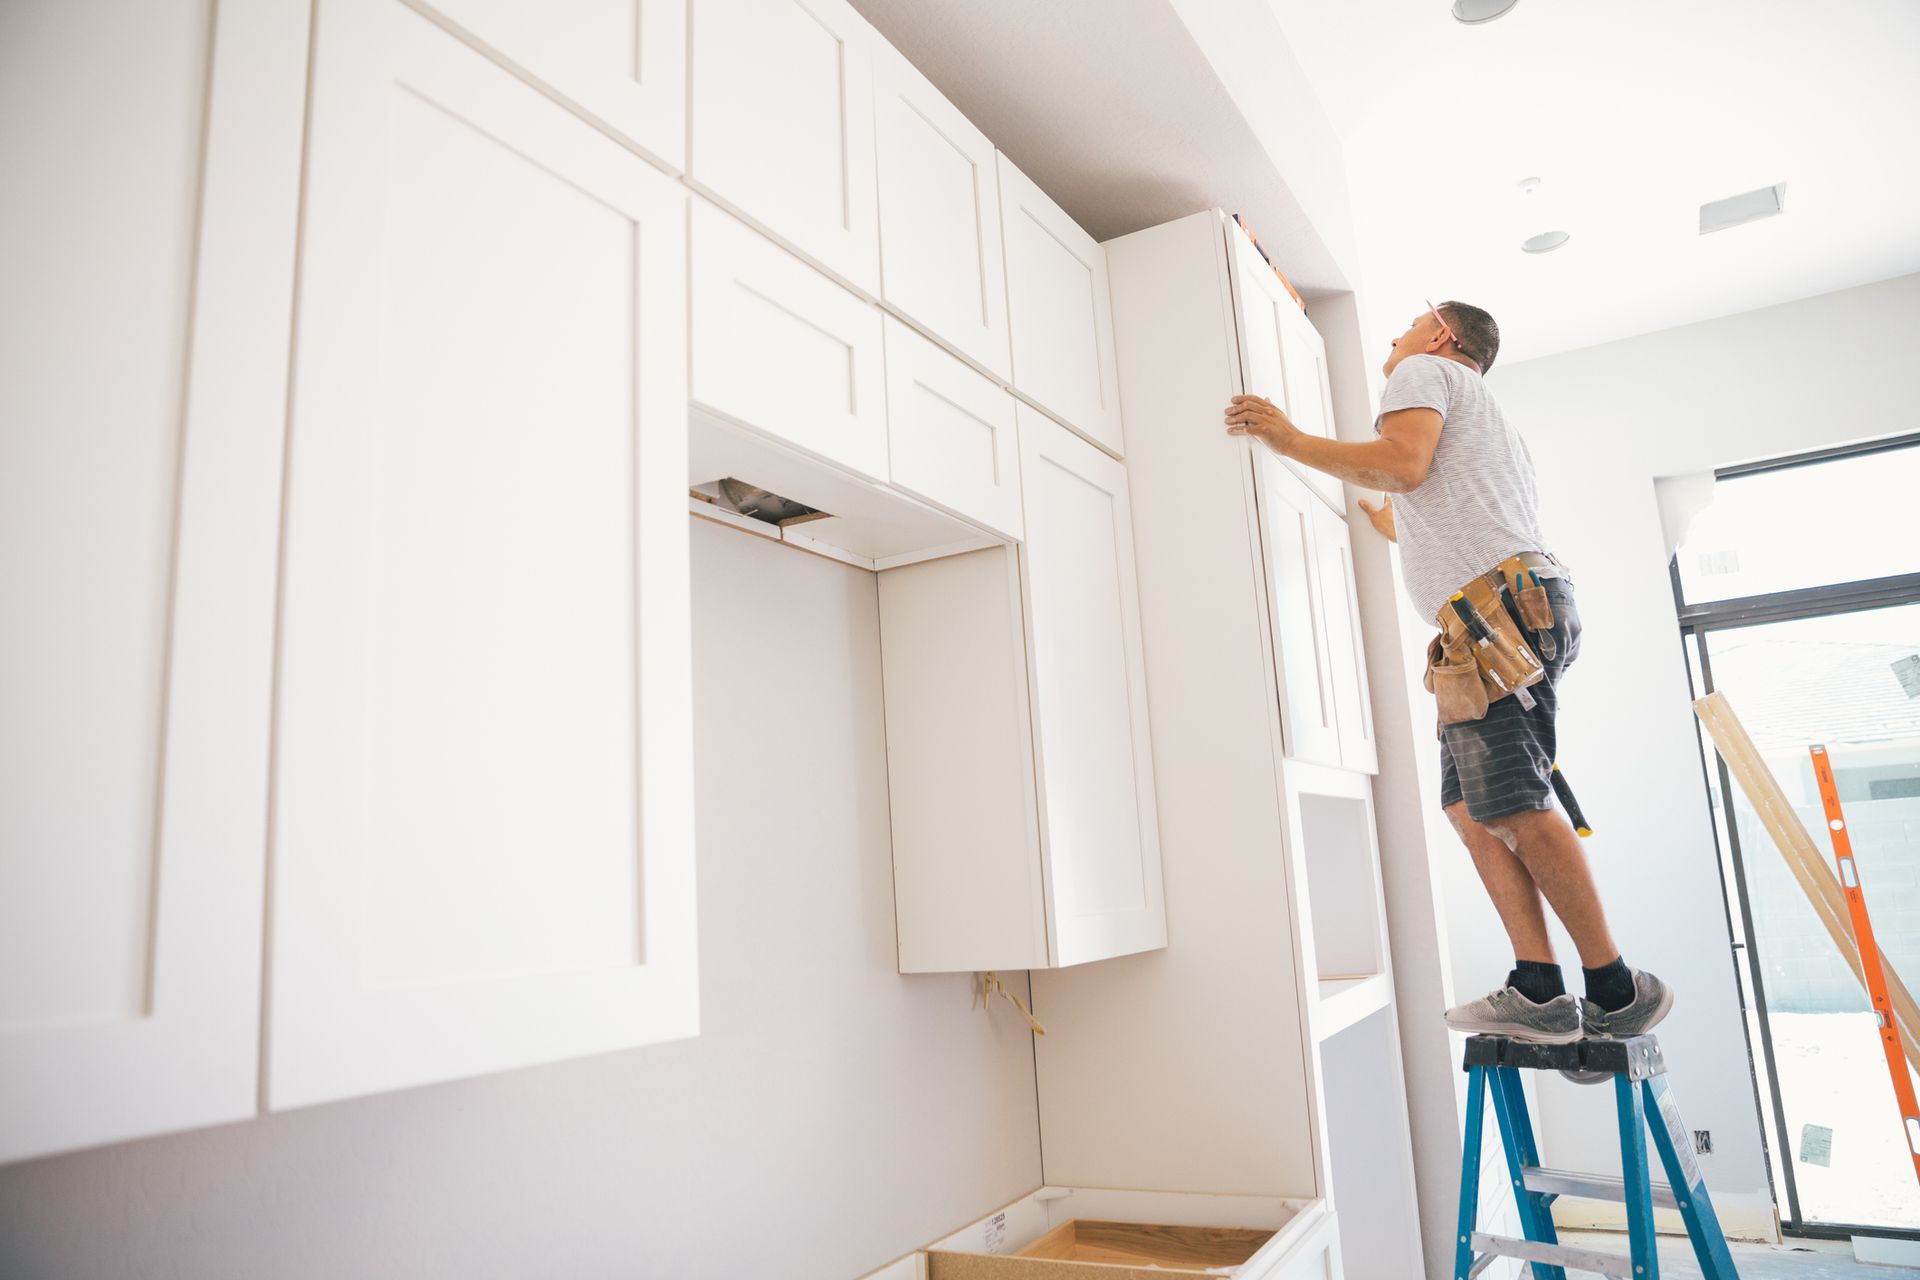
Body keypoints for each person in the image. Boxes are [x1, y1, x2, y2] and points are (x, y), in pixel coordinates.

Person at [1222, 300, 1672, 1045]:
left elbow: (1403, 464)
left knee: (1515, 805)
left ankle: (1615, 989)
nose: (1391, 342)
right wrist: (1390, 522)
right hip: (1497, 618)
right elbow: (1434, 497)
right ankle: (1538, 986)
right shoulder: (1480, 411)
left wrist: (1289, 438)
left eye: (1404, 327)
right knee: (1470, 808)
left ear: (1441, 332)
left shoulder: (1424, 371)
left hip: (1494, 620)